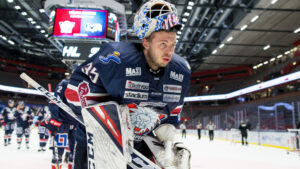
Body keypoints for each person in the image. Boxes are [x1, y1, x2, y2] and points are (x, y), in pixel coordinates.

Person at [64, 0, 191, 168]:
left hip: (140, 152)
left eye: (173, 44)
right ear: (145, 42)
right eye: (163, 44)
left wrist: (169, 140)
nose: (169, 52)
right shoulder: (114, 59)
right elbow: (75, 93)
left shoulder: (181, 71)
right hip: (97, 146)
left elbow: (171, 118)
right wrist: (118, 120)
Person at [47, 65, 78, 169]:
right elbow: (54, 101)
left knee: (75, 153)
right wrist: (55, 118)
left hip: (77, 124)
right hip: (63, 124)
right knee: (59, 152)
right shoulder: (64, 83)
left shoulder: (82, 86)